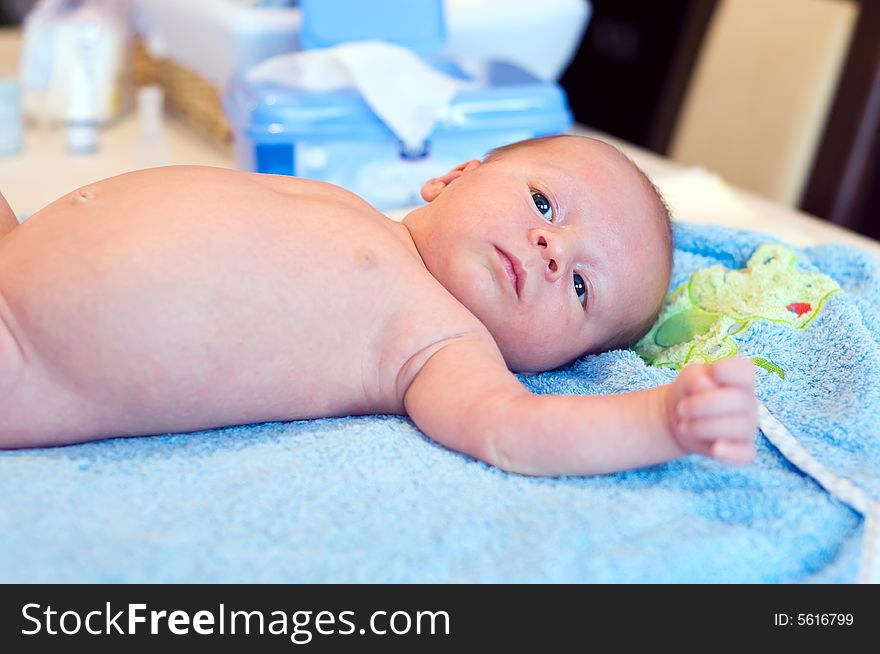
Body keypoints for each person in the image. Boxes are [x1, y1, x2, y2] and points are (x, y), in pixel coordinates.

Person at [0, 135, 757, 474]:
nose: (549, 248)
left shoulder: (436, 342)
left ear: (562, 359)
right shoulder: (357, 212)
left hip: (23, 355)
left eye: (583, 287)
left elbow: (519, 432)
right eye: (543, 202)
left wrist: (658, 421)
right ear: (453, 176)